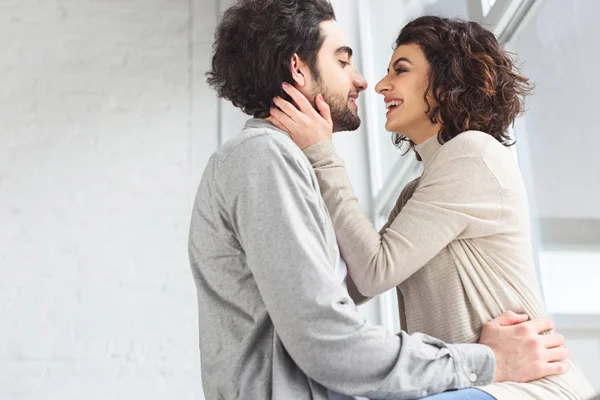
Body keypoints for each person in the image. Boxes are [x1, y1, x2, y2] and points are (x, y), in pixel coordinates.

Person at [190, 2, 571, 399]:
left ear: (444, 83)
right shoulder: (264, 158)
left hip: (515, 384)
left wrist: (483, 362)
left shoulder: (471, 153)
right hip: (487, 378)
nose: (366, 82)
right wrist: (482, 360)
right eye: (342, 62)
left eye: (399, 70)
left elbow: (352, 284)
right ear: (298, 68)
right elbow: (343, 306)